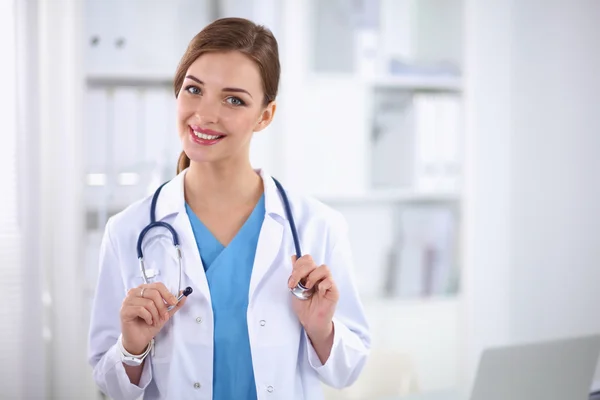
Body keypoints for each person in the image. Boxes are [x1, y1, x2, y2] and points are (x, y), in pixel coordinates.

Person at [88, 17, 371, 400]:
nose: (205, 114)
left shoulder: (317, 226)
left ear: (265, 115)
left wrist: (321, 331)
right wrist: (132, 348)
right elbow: (108, 383)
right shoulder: (128, 230)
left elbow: (348, 369)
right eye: (194, 90)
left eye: (234, 99)